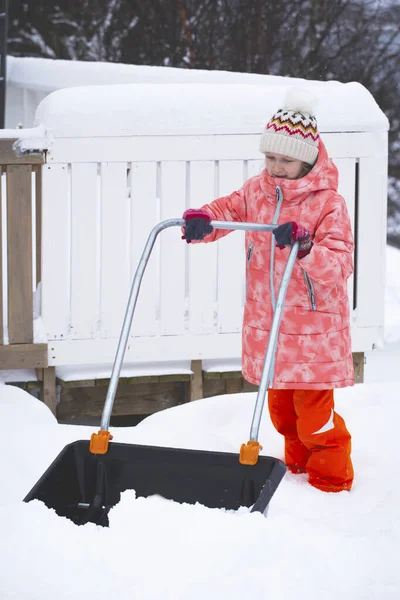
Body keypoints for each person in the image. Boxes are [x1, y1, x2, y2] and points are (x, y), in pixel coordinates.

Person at [182, 88, 354, 493]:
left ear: (308, 158)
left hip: (314, 334)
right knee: (283, 416)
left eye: (286, 159)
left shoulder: (329, 204)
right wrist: (204, 220)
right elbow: (229, 211)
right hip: (271, 328)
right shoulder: (257, 191)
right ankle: (297, 474)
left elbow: (340, 265)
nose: (276, 167)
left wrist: (305, 246)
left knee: (315, 419)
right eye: (270, 157)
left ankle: (331, 483)